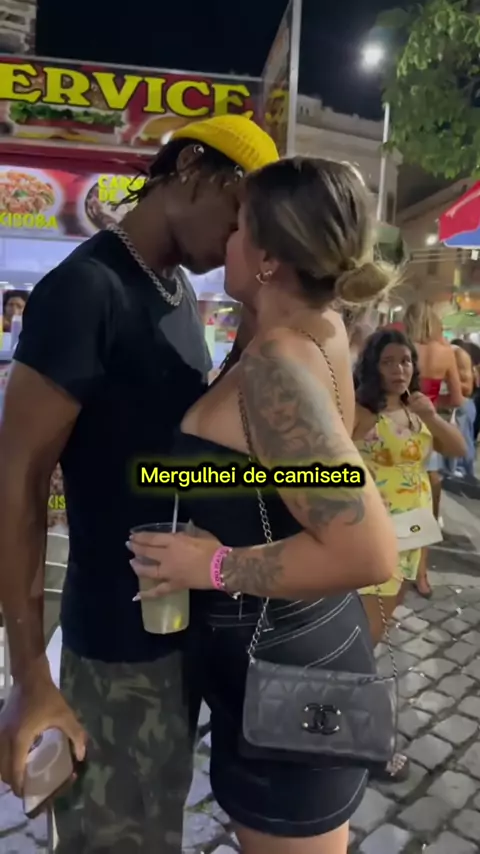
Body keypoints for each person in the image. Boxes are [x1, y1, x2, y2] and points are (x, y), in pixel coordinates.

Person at [0, 115, 279, 854]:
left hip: (177, 629)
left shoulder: (177, 290)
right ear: (190, 169)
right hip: (113, 645)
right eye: (238, 215)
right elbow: (17, 482)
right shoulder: (84, 290)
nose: (239, 241)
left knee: (155, 828)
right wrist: (29, 676)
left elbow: (172, 433)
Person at [128, 157, 398, 854]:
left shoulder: (278, 363)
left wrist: (213, 567)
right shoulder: (313, 327)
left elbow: (368, 551)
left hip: (286, 680)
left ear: (271, 258)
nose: (226, 238)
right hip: (297, 657)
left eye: (240, 225)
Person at [353, 328, 466, 782]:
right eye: (389, 362)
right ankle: (360, 738)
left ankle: (348, 729)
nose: (399, 369)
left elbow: (458, 449)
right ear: (373, 366)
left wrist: (431, 417)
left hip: (413, 531)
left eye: (405, 361)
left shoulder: (416, 406)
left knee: (373, 633)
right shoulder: (364, 411)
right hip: (377, 529)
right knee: (365, 640)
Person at [403, 302, 463, 596]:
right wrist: (433, 405)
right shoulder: (446, 352)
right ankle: (422, 573)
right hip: (427, 424)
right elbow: (458, 399)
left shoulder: (402, 348)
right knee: (426, 500)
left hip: (397, 422)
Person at [445, 340, 478, 479]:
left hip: (461, 407)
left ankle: (464, 473)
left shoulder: (458, 354)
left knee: (463, 445)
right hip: (444, 408)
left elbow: (468, 387)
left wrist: (450, 382)